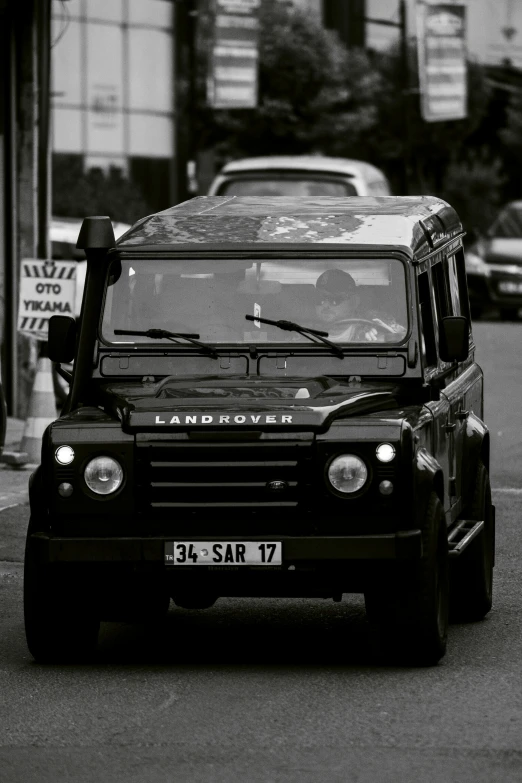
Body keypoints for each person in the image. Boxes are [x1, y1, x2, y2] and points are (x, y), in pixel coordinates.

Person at [314, 269, 406, 342]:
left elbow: (405, 338)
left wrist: (388, 337)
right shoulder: (304, 330)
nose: (325, 305)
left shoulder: (373, 324)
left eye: (334, 299)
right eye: (320, 299)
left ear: (354, 302)